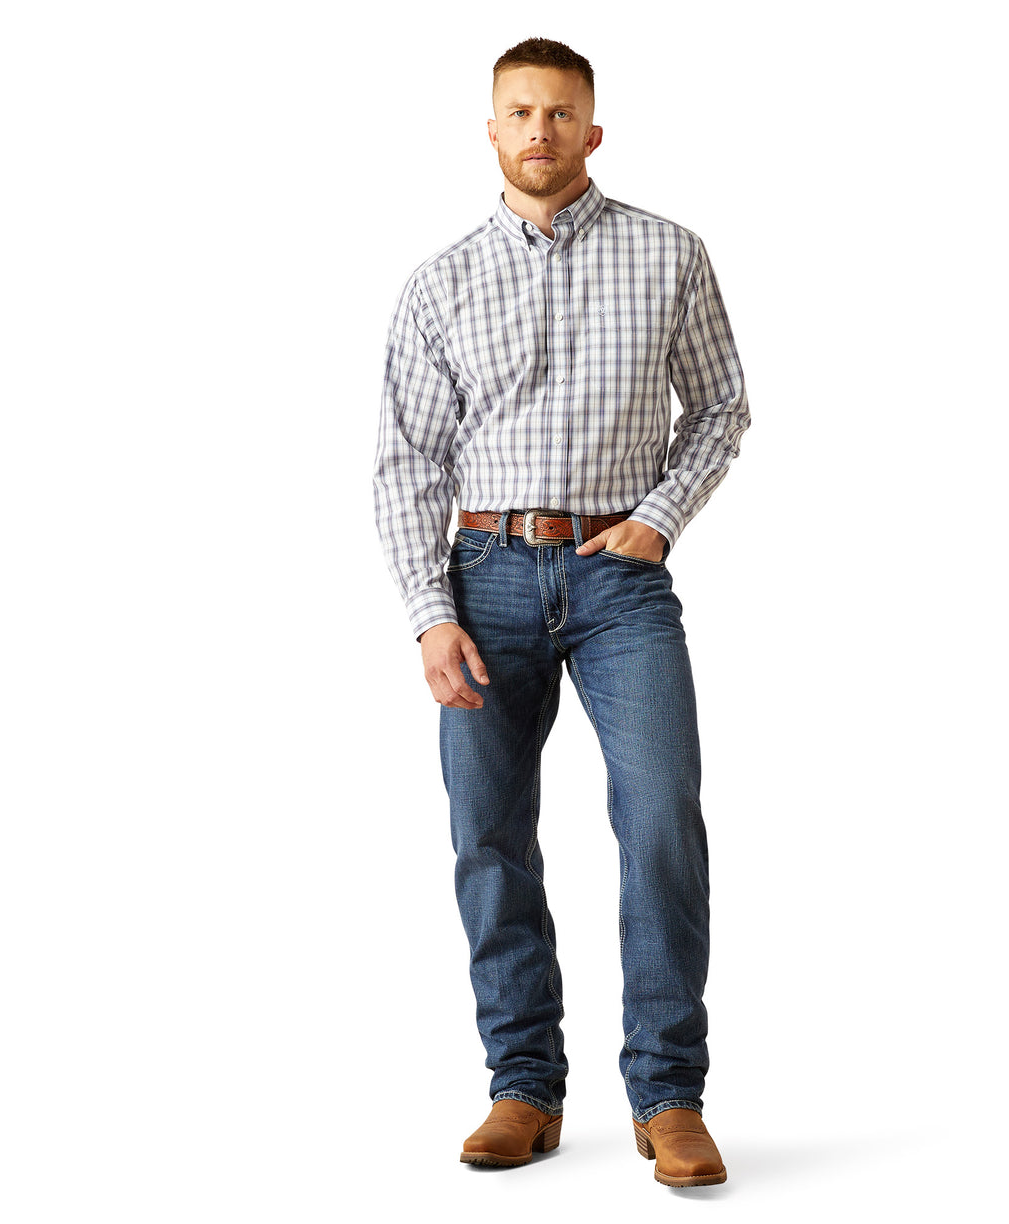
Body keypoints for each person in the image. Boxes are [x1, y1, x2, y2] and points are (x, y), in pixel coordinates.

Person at [372, 36, 750, 1188]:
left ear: (594, 129)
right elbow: (404, 461)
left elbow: (723, 404)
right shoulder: (439, 281)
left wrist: (659, 519)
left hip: (620, 581)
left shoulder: (669, 253)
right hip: (482, 576)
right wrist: (430, 613)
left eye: (562, 112)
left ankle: (669, 1096)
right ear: (491, 130)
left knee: (659, 819)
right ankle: (523, 1084)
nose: (540, 129)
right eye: (519, 111)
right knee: (487, 832)